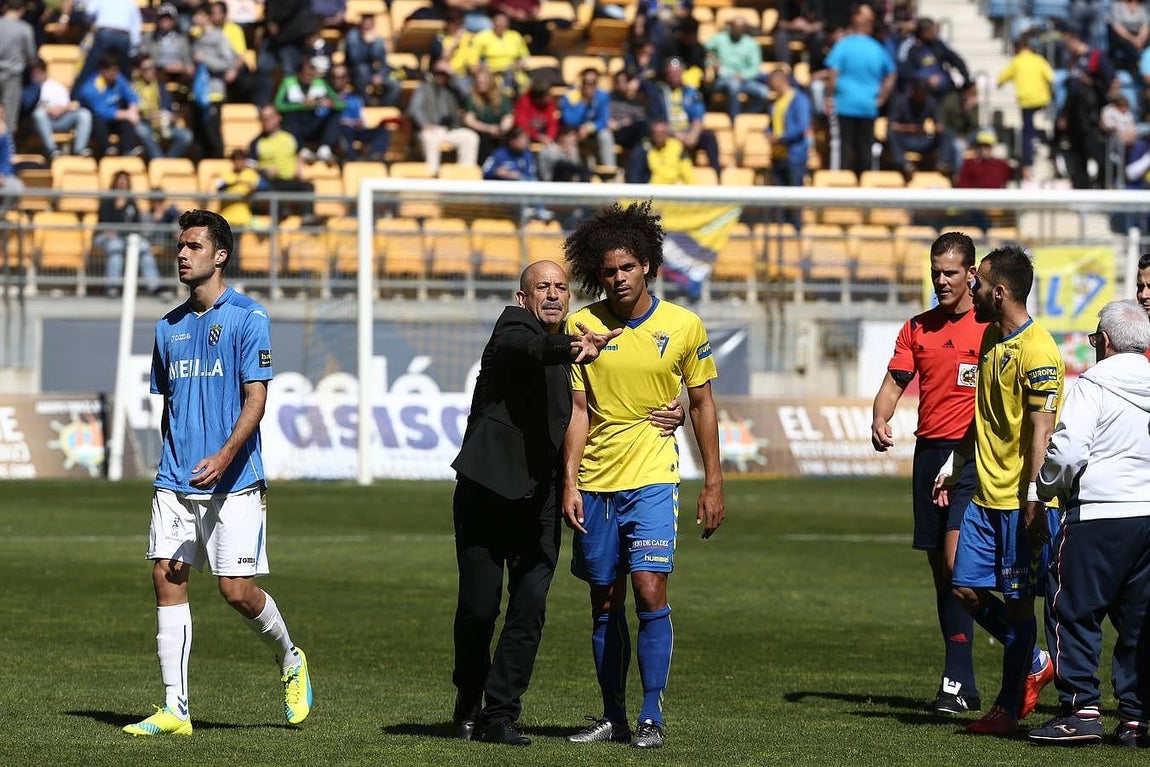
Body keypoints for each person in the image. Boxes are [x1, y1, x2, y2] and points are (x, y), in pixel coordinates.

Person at [450, 260, 685, 746]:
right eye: (542, 287)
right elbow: (531, 346)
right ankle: (468, 699)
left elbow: (597, 412)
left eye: (561, 287)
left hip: (540, 500)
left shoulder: (579, 352)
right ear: (523, 297)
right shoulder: (516, 328)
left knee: (530, 609)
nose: (553, 295)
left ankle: (500, 714)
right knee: (479, 607)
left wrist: (672, 409)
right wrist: (573, 347)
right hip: (487, 494)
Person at [122, 209, 312, 736]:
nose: (182, 255)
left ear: (220, 255)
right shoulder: (167, 327)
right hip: (176, 480)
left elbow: (257, 400)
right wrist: (173, 460)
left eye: (193, 247)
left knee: (236, 591)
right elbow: (170, 406)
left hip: (236, 479)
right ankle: (174, 709)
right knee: (167, 576)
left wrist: (226, 454)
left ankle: (290, 657)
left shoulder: (249, 318)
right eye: (179, 247)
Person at [561, 201, 725, 750]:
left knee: (649, 588)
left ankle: (651, 715)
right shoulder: (581, 327)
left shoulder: (683, 325)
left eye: (627, 267)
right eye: (608, 271)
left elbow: (702, 404)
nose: (617, 278)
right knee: (603, 600)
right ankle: (613, 716)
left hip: (654, 476)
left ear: (649, 265)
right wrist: (568, 484)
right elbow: (579, 412)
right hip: (595, 480)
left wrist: (714, 482)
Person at [936, 245, 1063, 734]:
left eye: (979, 282)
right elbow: (984, 414)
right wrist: (955, 461)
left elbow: (1041, 430)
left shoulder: (1038, 350)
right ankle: (1034, 660)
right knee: (963, 585)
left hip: (1018, 501)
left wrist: (1034, 497)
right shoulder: (991, 338)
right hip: (984, 496)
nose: (971, 287)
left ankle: (1007, 710)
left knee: (1017, 603)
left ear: (1000, 291)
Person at [871, 233, 986, 713]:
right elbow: (894, 383)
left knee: (961, 567)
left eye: (950, 273)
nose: (941, 280)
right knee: (942, 573)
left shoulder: (992, 327)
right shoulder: (917, 327)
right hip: (929, 454)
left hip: (976, 457)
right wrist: (881, 416)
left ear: (971, 275)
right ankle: (961, 682)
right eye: (936, 271)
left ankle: (1018, 660)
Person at [1028, 299, 1150, 747]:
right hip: (1147, 515)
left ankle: (1080, 710)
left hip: (1099, 512)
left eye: (1097, 336)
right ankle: (1135, 719)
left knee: (1071, 608)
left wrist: (1045, 487)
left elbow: (1068, 450)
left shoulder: (1092, 385)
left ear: (1106, 342)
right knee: (1139, 620)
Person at [824, 2, 896, 176]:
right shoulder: (878, 49)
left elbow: (833, 74)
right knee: (866, 148)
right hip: (868, 105)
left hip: (844, 104)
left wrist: (828, 97)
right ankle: (866, 187)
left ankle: (840, 187)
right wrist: (882, 98)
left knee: (843, 147)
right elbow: (892, 74)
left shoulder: (843, 45)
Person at [95, 170, 163, 297]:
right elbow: (104, 223)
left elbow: (136, 224)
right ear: (114, 184)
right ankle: (112, 288)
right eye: (120, 183)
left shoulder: (132, 202)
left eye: (125, 183)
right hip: (106, 237)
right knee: (115, 247)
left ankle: (155, 286)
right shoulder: (107, 201)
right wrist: (118, 208)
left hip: (125, 237)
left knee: (144, 248)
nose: (122, 186)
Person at [997, 33, 1054, 181]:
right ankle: (1039, 140)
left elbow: (1002, 77)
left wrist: (999, 83)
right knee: (1033, 126)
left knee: (1026, 131)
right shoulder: (1038, 59)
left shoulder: (1017, 62)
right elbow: (1050, 77)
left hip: (1027, 101)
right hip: (1042, 100)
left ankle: (1027, 164)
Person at [408, 60, 480, 173]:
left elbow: (468, 94)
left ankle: (465, 176)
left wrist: (453, 74)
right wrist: (424, 123)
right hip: (431, 129)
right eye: (439, 73)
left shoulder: (453, 89)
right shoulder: (424, 88)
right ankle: (433, 174)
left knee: (470, 137)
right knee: (430, 137)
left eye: (444, 74)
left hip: (451, 129)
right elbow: (415, 109)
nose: (441, 76)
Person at [77, 56, 143, 158]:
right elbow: (101, 111)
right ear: (103, 71)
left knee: (126, 122)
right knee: (99, 121)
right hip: (97, 123)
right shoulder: (91, 87)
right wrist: (127, 114)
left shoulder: (118, 78)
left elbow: (131, 96)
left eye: (116, 71)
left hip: (115, 120)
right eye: (112, 71)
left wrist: (133, 110)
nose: (115, 74)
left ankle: (127, 150)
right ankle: (107, 150)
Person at [26, 56, 92, 158]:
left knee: (84, 113)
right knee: (39, 114)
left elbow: (69, 105)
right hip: (40, 123)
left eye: (39, 71)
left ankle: (80, 150)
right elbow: (27, 107)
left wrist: (61, 109)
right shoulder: (29, 88)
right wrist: (47, 109)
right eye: (34, 72)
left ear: (44, 71)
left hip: (61, 120)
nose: (36, 75)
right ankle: (53, 150)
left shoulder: (56, 86)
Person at [704, 17, 767, 120]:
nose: (737, 30)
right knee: (733, 85)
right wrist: (711, 62)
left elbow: (755, 68)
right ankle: (734, 120)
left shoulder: (751, 44)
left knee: (764, 92)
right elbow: (704, 51)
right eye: (735, 27)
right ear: (731, 27)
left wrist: (743, 76)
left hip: (744, 80)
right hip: (723, 79)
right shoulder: (720, 38)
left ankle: (745, 117)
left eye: (741, 28)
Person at [559, 68, 616, 171]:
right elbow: (568, 120)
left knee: (606, 135)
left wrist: (589, 127)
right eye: (586, 82)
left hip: (593, 133)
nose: (589, 86)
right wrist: (584, 101)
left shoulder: (602, 96)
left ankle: (610, 171)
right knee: (570, 139)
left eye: (593, 83)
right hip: (575, 132)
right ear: (581, 82)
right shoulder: (570, 96)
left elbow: (603, 119)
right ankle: (575, 174)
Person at [623, 119, 694, 184]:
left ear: (667, 134)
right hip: (650, 193)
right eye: (656, 133)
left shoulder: (677, 147)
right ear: (651, 134)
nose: (659, 136)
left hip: (672, 192)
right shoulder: (643, 150)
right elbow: (634, 177)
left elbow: (687, 172)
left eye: (662, 133)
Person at [0, 0, 35, 128]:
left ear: (5, 7)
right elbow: (31, 56)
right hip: (13, 76)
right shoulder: (24, 28)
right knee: (9, 118)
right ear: (22, 10)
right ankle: (5, 147)